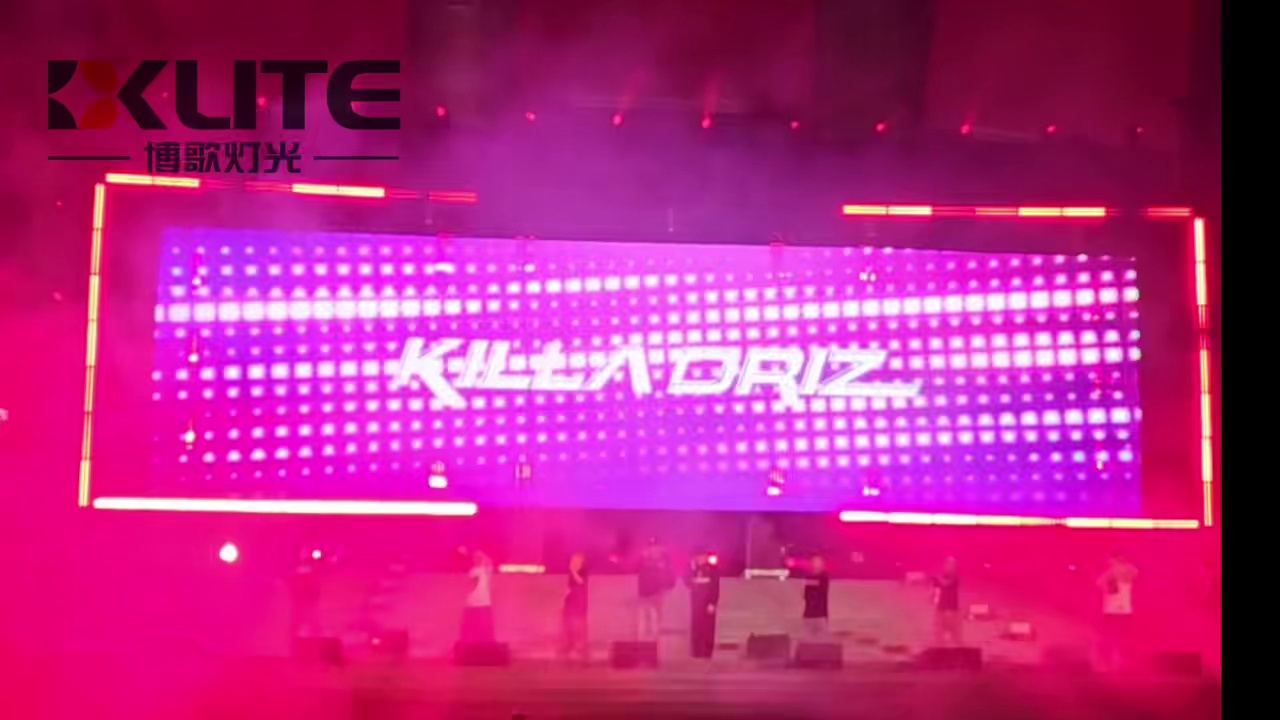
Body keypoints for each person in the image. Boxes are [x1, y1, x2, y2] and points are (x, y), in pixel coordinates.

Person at [1096, 550, 1138, 670]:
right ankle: (1110, 661)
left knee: (1124, 638)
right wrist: (1112, 572)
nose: (1110, 562)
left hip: (1124, 611)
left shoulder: (1128, 571)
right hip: (1110, 611)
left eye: (1112, 560)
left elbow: (1133, 573)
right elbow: (1099, 583)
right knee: (1108, 637)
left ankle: (1123, 661)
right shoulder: (1108, 574)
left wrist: (1118, 567)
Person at [636, 540, 673, 640]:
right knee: (643, 616)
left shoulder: (664, 560)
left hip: (657, 592)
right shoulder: (643, 560)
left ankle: (655, 636)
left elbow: (669, 573)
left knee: (655, 614)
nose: (653, 550)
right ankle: (642, 637)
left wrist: (668, 585)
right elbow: (634, 568)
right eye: (651, 547)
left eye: (655, 547)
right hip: (644, 592)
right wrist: (641, 557)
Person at [687, 551, 721, 658]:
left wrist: (713, 602)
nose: (699, 559)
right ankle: (696, 652)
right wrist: (691, 569)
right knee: (696, 628)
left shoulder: (712, 570)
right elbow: (687, 582)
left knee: (708, 629)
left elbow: (715, 587)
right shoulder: (693, 569)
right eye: (697, 557)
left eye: (702, 557)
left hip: (708, 603)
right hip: (696, 604)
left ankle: (707, 653)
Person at [459, 549, 495, 644]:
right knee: (479, 628)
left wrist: (480, 554)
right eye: (476, 558)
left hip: (478, 603)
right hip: (478, 603)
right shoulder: (480, 571)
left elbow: (471, 585)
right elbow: (470, 586)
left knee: (477, 628)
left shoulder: (480, 571)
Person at [560, 552, 590, 663]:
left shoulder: (583, 572)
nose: (573, 563)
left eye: (576, 561)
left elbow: (580, 582)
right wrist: (563, 600)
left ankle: (579, 650)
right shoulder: (571, 574)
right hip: (570, 602)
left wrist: (573, 571)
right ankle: (569, 648)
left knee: (579, 626)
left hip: (579, 603)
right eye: (573, 561)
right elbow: (569, 588)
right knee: (568, 625)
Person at [932, 556, 963, 646]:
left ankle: (958, 650)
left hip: (952, 610)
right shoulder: (942, 577)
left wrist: (937, 578)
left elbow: (945, 584)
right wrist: (933, 597)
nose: (948, 567)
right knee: (939, 634)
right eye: (947, 564)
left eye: (951, 564)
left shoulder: (955, 577)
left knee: (955, 635)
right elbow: (936, 590)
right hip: (941, 609)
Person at [801, 554, 831, 638]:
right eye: (814, 562)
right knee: (808, 638)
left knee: (822, 639)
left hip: (820, 615)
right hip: (809, 615)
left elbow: (821, 593)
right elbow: (807, 595)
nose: (816, 564)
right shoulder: (809, 577)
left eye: (818, 562)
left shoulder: (824, 577)